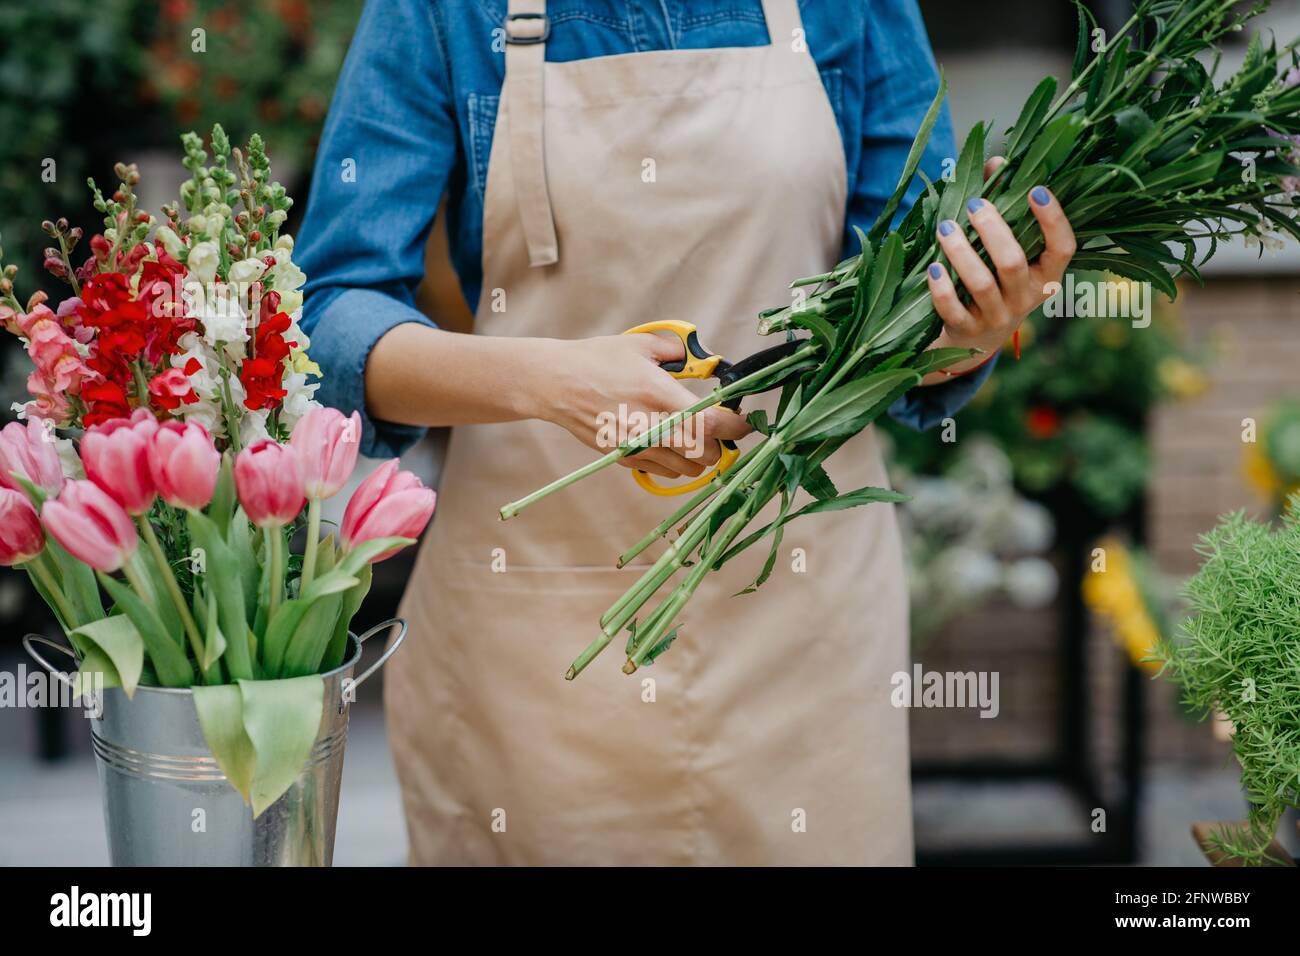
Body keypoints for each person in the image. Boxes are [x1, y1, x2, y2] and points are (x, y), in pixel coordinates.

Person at [297, 0, 1076, 865]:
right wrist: (554, 382)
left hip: (800, 634)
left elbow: (906, 316)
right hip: (532, 646)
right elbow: (332, 318)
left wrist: (962, 332)